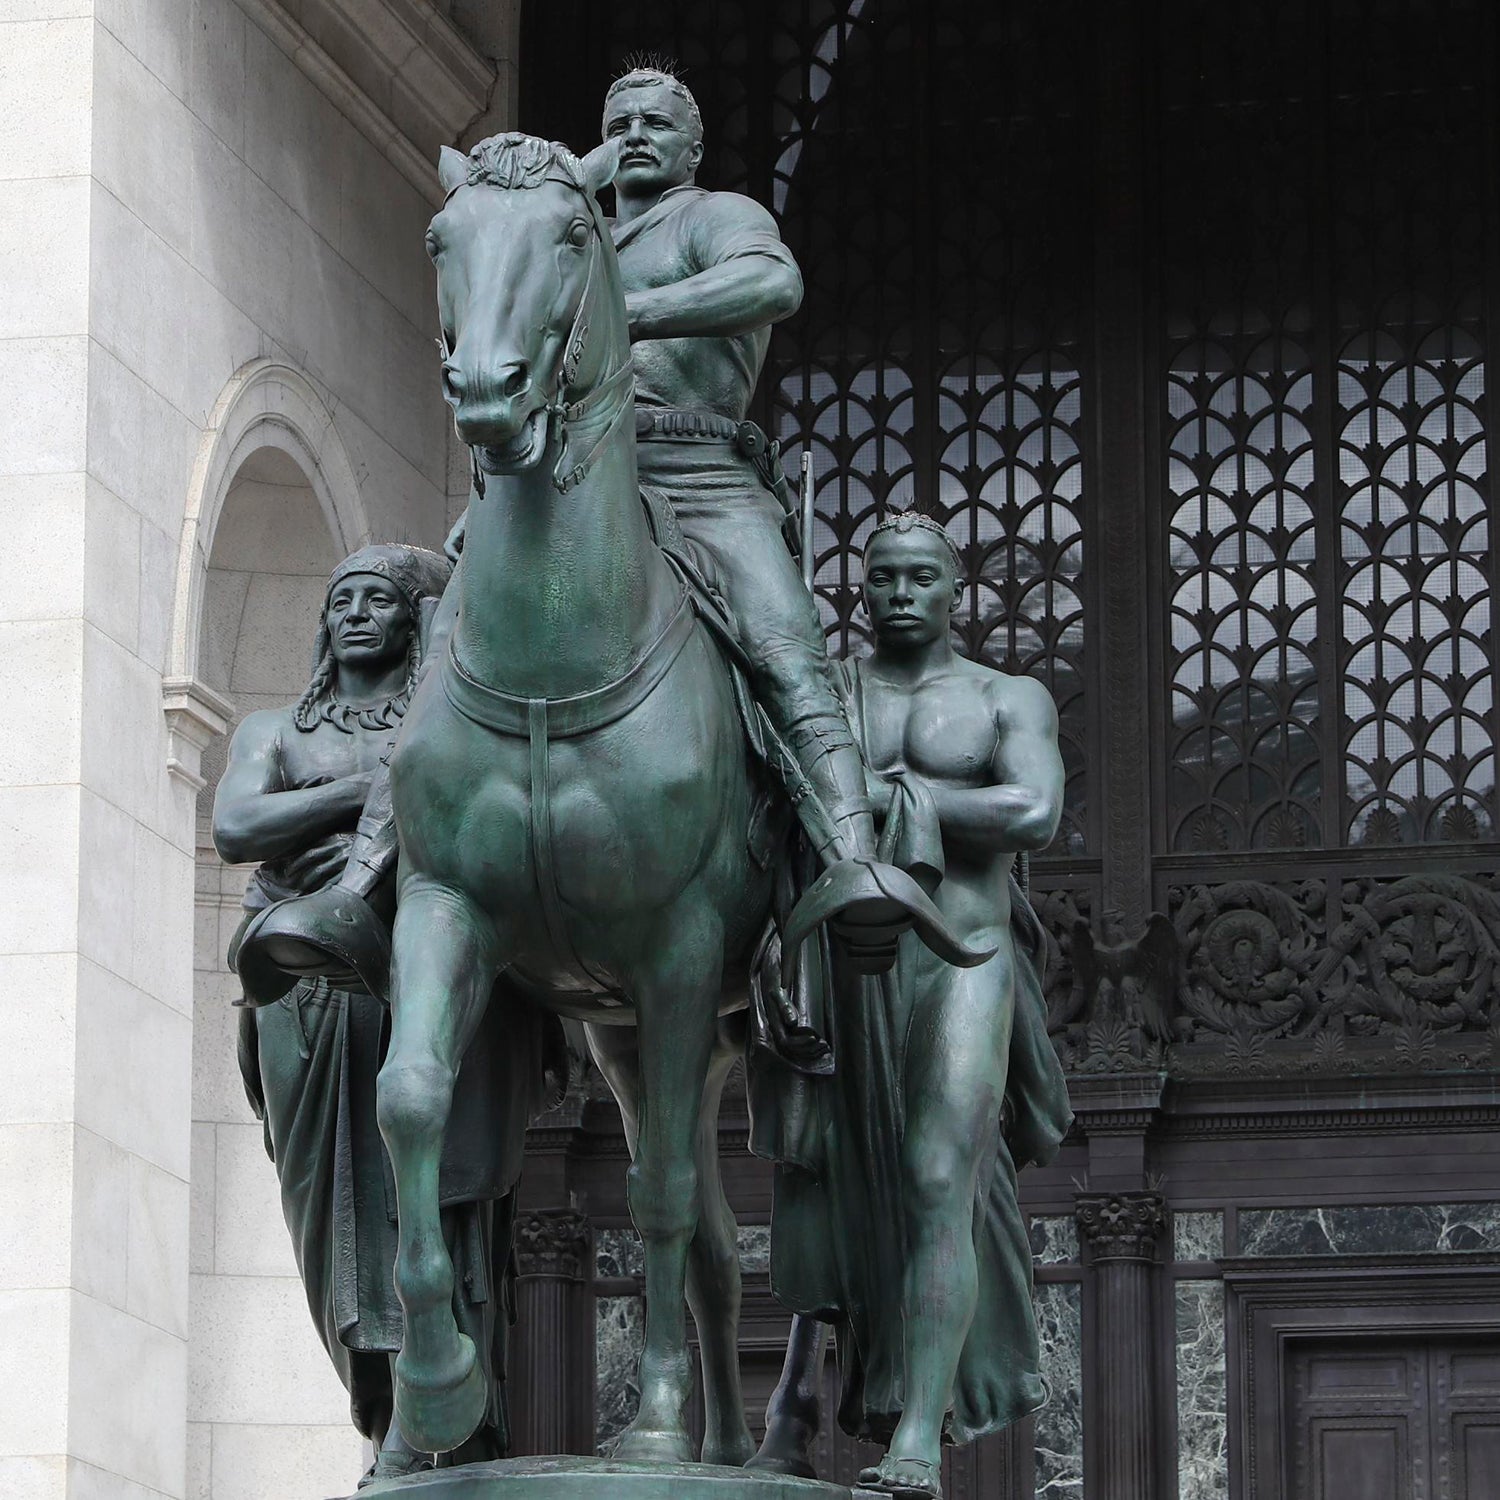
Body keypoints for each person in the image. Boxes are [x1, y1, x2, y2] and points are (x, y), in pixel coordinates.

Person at [750, 514, 1074, 1499]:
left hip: (964, 950)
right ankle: (799, 1406)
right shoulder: (824, 697)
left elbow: (1033, 812)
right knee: (837, 1184)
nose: (898, 592)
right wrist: (770, 949)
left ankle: (921, 1440)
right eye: (881, 576)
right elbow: (770, 822)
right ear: (862, 587)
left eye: (919, 577)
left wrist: (891, 800)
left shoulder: (1004, 696)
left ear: (953, 590)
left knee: (941, 1173)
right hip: (844, 958)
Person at [213, 545, 551, 1486]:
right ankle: (380, 1411)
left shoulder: (448, 718)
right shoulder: (275, 732)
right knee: (331, 1224)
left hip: (423, 984)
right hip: (308, 992)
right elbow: (235, 827)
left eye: (380, 601)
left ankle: (432, 1422)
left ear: (414, 622)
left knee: (438, 1203)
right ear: (324, 624)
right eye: (343, 601)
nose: (359, 614)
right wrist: (370, 791)